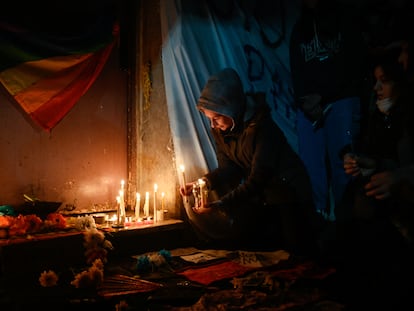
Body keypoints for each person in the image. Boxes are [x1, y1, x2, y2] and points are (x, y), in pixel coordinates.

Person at [180, 68, 324, 255]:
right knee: (262, 247)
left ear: (230, 109)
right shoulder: (222, 130)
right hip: (265, 196)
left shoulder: (262, 128)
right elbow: (229, 169)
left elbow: (259, 177)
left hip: (289, 192)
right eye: (209, 119)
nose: (212, 125)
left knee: (295, 251)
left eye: (216, 118)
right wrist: (204, 183)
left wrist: (221, 204)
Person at [333, 52, 414, 310]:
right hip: (385, 204)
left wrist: (398, 176)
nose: (377, 88)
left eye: (384, 81)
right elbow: (378, 154)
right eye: (375, 81)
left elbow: (402, 165)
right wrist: (359, 160)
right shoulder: (380, 117)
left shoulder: (408, 116)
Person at [289, 0, 367, 220]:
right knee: (311, 164)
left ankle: (347, 217)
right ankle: (318, 216)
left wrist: (325, 95)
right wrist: (305, 101)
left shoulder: (343, 20)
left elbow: (355, 65)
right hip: (310, 104)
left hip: (341, 98)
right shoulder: (300, 28)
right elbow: (296, 70)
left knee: (344, 162)